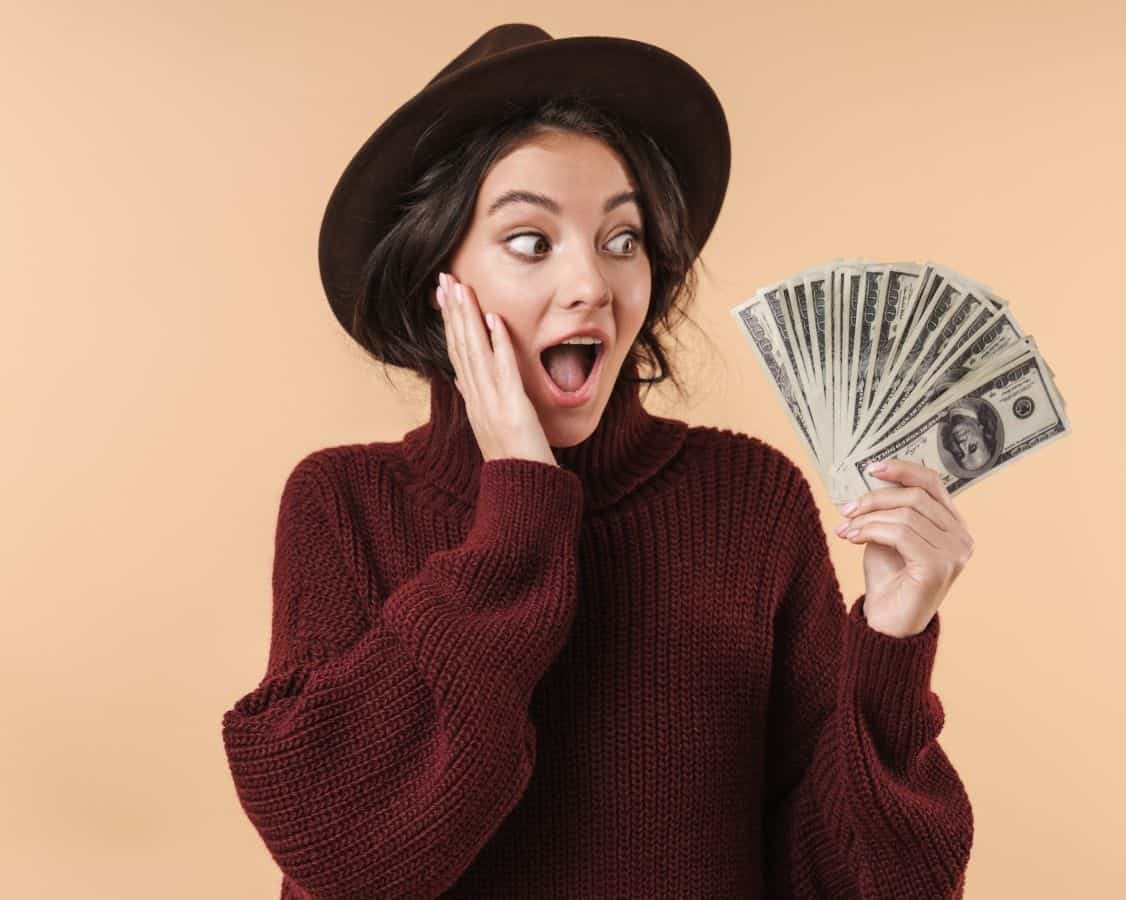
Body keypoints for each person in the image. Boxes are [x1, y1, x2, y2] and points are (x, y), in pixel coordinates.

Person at [221, 23, 976, 899]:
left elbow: (859, 885)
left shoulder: (749, 500)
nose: (591, 284)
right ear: (440, 281)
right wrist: (518, 516)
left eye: (623, 241)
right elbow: (343, 854)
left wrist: (889, 644)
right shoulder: (344, 502)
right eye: (532, 242)